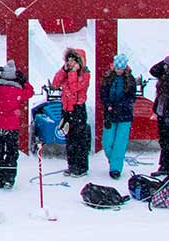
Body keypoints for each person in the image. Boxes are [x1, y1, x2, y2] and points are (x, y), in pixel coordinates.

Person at [51, 49, 93, 177]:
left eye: (73, 60)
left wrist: (73, 73)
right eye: (68, 60)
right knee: (70, 139)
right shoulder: (67, 72)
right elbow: (55, 84)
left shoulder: (85, 74)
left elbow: (75, 88)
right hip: (66, 108)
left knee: (79, 139)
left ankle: (81, 167)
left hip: (78, 109)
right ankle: (72, 165)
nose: (70, 62)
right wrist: (64, 70)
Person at [97, 54, 138, 179]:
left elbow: (131, 97)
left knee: (120, 142)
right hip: (110, 114)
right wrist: (108, 104)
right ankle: (114, 160)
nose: (119, 71)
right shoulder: (107, 78)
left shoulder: (130, 80)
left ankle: (115, 168)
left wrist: (120, 105)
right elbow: (103, 94)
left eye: (121, 68)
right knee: (107, 142)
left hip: (124, 115)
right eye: (117, 68)